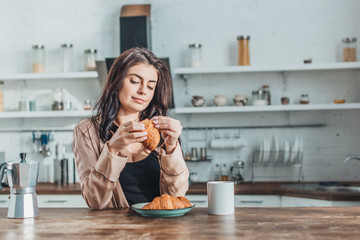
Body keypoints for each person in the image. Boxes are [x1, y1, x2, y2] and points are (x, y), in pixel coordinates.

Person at [73, 47, 189, 209]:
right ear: (116, 80)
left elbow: (176, 196)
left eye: (150, 86)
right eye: (134, 81)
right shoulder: (87, 131)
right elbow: (95, 201)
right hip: (114, 232)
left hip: (162, 231)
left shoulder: (160, 132)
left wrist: (171, 147)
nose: (143, 91)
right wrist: (112, 150)